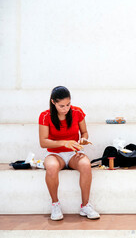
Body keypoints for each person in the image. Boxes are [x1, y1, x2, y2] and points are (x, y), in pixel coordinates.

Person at [39, 86, 100, 221]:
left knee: (85, 165)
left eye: (68, 104)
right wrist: (64, 143)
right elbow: (43, 142)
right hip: (55, 154)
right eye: (61, 106)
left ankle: (85, 206)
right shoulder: (45, 116)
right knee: (51, 167)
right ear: (53, 102)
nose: (65, 108)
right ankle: (55, 205)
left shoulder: (77, 112)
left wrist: (83, 139)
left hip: (74, 153)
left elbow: (84, 132)